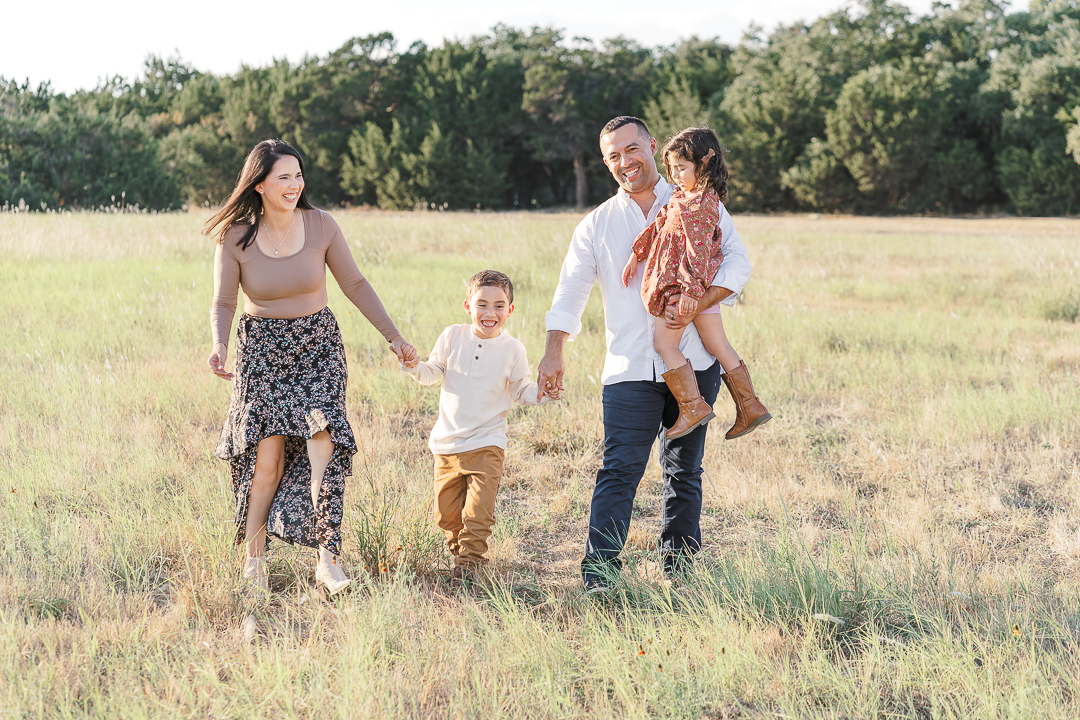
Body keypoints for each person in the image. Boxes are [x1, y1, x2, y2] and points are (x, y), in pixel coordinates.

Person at [537, 117, 752, 591]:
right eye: (613, 155)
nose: (624, 161)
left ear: (652, 147)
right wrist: (555, 351)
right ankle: (600, 576)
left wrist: (703, 299)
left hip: (693, 361)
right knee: (619, 470)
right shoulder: (597, 224)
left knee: (684, 472)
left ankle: (680, 572)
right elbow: (571, 289)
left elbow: (738, 261)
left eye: (631, 149)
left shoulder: (697, 202)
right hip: (629, 367)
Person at [206, 139, 417, 599]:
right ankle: (254, 561)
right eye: (284, 177)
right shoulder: (236, 237)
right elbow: (224, 301)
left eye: (298, 175)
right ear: (259, 183)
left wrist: (394, 337)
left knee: (325, 443)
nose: (295, 184)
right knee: (268, 461)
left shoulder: (321, 225)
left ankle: (327, 559)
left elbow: (355, 283)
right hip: (261, 353)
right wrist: (219, 345)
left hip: (318, 347)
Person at [401, 270, 558, 580]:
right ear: (468, 306)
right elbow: (433, 373)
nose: (490, 313)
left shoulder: (513, 350)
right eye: (482, 304)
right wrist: (414, 366)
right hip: (446, 445)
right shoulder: (451, 336)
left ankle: (469, 568)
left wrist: (542, 393)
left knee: (477, 514)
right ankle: (458, 555)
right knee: (446, 517)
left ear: (510, 311)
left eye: (499, 306)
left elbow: (519, 390)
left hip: (488, 443)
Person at [622, 127, 770, 440]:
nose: (674, 175)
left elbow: (699, 252)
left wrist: (690, 293)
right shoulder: (684, 197)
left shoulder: (701, 205)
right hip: (701, 290)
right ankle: (750, 406)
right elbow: (661, 224)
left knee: (664, 343)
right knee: (718, 345)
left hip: (683, 289)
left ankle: (692, 406)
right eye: (672, 168)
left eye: (681, 168)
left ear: (703, 165)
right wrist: (638, 253)